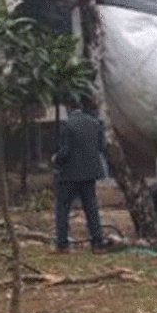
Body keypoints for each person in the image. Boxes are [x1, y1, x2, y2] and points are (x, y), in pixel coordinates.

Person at [53, 96, 110, 253]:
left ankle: (62, 243)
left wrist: (55, 160)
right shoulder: (95, 123)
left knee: (63, 208)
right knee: (91, 208)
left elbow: (65, 152)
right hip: (90, 173)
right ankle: (97, 242)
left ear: (68, 108)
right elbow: (101, 147)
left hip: (69, 174)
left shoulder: (67, 125)